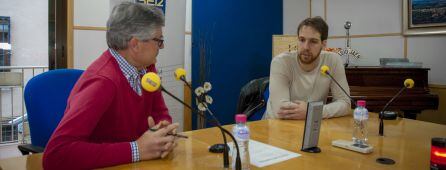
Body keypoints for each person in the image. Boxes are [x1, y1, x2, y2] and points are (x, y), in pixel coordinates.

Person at [43, 2, 178, 169]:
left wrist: (163, 133)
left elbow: (160, 113)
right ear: (135, 44)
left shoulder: (147, 69)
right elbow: (56, 155)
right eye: (159, 40)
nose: (161, 47)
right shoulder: (103, 82)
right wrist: (137, 150)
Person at [263, 16, 351, 120]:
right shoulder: (281, 62)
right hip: (276, 126)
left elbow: (345, 103)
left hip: (310, 126)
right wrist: (314, 112)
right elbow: (280, 110)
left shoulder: (333, 60)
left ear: (323, 44)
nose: (305, 47)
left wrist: (311, 111)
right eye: (302, 40)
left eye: (313, 41)